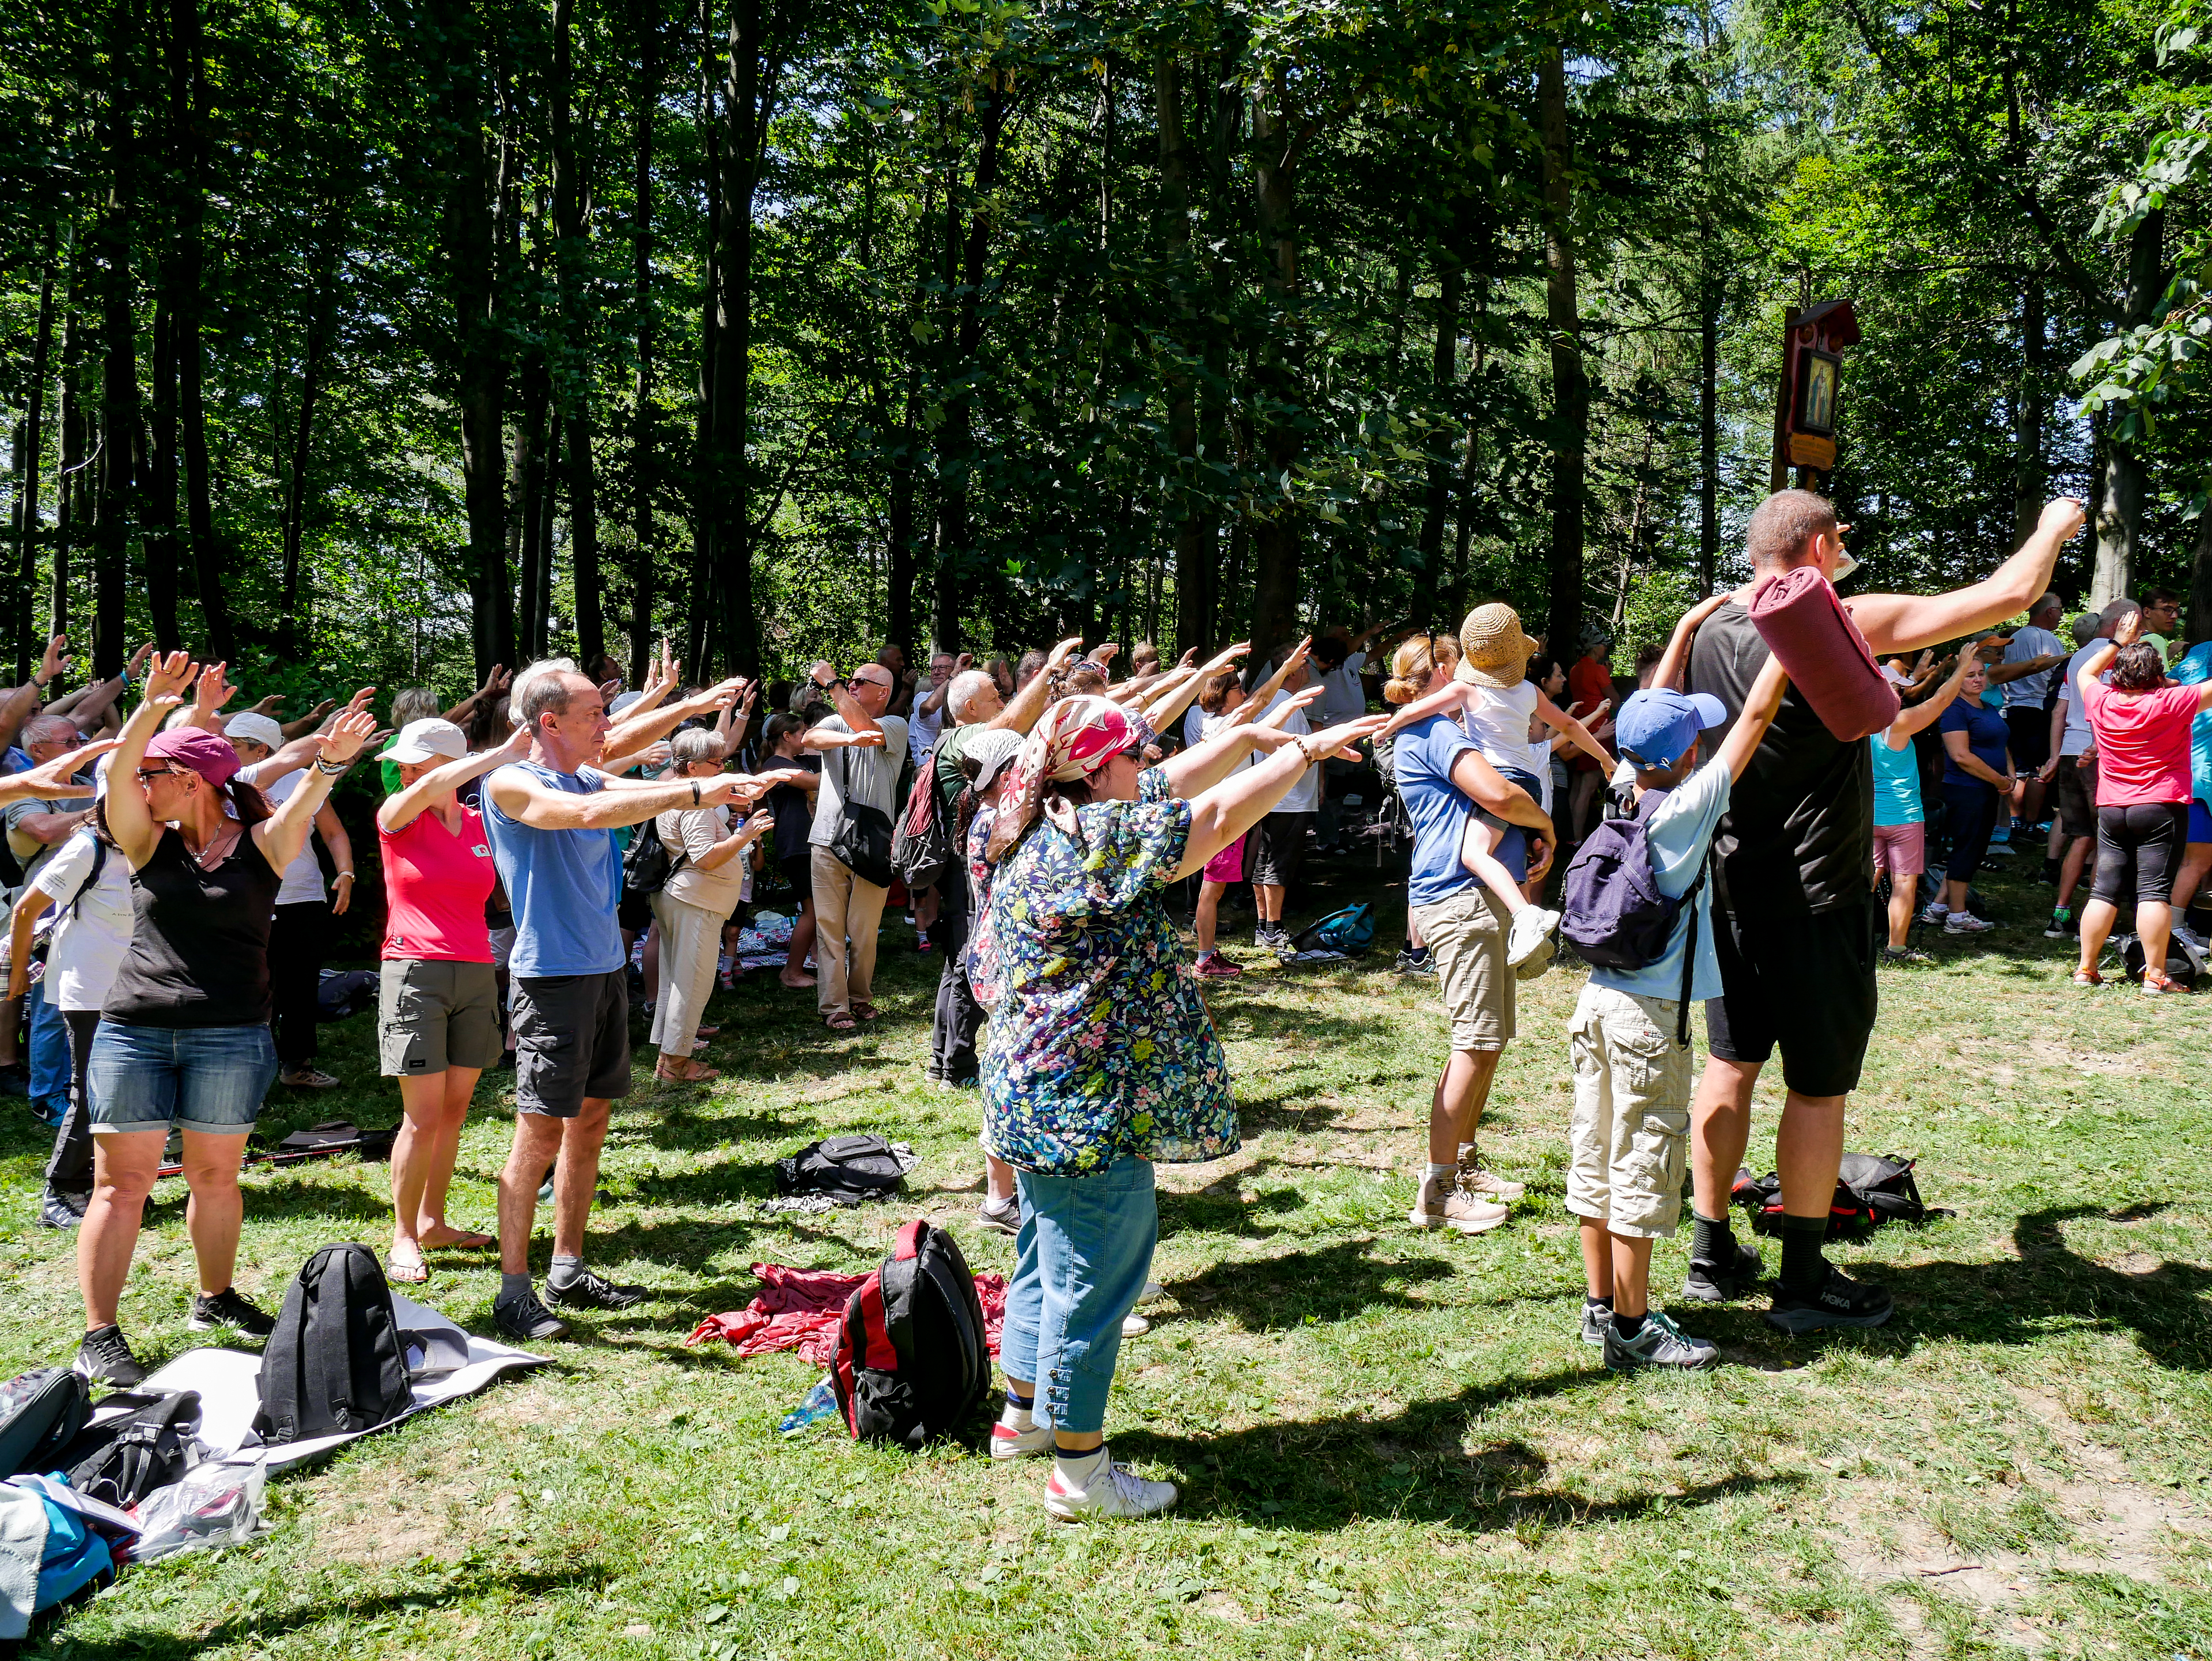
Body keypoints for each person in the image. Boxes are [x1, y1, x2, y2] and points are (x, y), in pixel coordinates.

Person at [1681, 489, 2084, 1335]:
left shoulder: (1713, 627)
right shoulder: (1842, 618)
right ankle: (1801, 1278)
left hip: (1728, 883)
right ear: (1823, 547)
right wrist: (2053, 524)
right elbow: (2006, 598)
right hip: (1819, 892)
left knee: (1730, 1062)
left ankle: (1711, 1250)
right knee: (1818, 1087)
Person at [979, 694, 1386, 1519]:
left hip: (1029, 1092)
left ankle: (1022, 1416)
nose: (1149, 760)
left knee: (1042, 1252)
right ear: (1096, 770)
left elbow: (1169, 789)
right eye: (1134, 751)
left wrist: (1241, 735)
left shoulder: (1043, 819)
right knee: (1094, 1277)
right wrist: (1300, 753)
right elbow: (1212, 815)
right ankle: (1080, 1471)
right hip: (1083, 1105)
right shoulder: (1100, 840)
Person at [74, 654, 378, 1384]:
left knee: (217, 1177)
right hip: (134, 1031)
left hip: (232, 1035)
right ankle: (100, 1334)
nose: (140, 786)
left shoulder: (263, 846)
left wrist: (329, 765)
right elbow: (116, 776)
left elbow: (304, 803)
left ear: (191, 780)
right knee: (122, 1186)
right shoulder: (146, 842)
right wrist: (150, 709)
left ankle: (214, 1298)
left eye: (155, 775)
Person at [481, 659, 790, 1342]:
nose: (608, 725)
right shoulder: (511, 782)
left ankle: (567, 1266)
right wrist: (695, 792)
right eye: (596, 714)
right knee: (537, 1138)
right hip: (551, 980)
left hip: (603, 973)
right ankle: (513, 1291)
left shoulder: (580, 768)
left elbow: (620, 784)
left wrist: (718, 785)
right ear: (550, 722)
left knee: (589, 1126)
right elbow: (591, 812)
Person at [1571, 662, 1790, 1372]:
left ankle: (1600, 1306)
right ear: (1689, 754)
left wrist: (1686, 631)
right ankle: (1634, 1330)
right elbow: (1753, 721)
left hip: (1597, 1003)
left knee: (1597, 1148)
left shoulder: (1622, 792)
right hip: (1648, 1017)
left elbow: (1650, 720)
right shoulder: (1687, 810)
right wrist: (1792, 636)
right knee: (1642, 1157)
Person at [1391, 619, 1556, 1235]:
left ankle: (1461, 1163)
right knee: (1475, 1043)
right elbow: (1499, 796)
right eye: (1457, 665)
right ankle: (1435, 1192)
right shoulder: (1434, 731)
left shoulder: (1438, 727)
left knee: (1489, 1042)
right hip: (1459, 902)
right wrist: (1547, 827)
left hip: (1476, 898)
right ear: (1437, 674)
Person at [375, 717, 527, 1282]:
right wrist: (498, 754)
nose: (406, 773)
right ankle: (404, 1236)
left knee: (454, 1111)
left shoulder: (477, 824)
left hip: (476, 970)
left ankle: (433, 1221)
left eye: (420, 763)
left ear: (448, 766)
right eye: (406, 764)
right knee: (421, 1116)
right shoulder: (396, 816)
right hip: (415, 972)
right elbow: (413, 795)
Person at [1381, 603, 1613, 962]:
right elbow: (1570, 726)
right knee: (1515, 851)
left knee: (1474, 853)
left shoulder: (1466, 689)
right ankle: (1521, 934)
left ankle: (1526, 916)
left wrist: (1386, 728)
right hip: (1530, 781)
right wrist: (1605, 758)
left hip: (1500, 782)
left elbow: (1417, 710)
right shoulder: (1530, 692)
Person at [2069, 609, 2212, 992]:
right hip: (2161, 807)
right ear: (2157, 674)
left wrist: (2117, 642)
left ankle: (2085, 969)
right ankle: (2155, 974)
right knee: (2154, 891)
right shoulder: (2172, 702)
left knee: (2104, 889)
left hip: (2113, 809)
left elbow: (2085, 674)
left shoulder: (2102, 700)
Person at [9, 805, 135, 1229]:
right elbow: (27, 910)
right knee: (93, 1093)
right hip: (88, 990)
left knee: (128, 1093)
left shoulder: (158, 842)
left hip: (139, 986)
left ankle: (104, 1183)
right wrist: (19, 980)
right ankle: (60, 1188)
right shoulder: (88, 846)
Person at [224, 710, 354, 1089]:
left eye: (233, 746)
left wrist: (345, 872)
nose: (225, 752)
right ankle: (247, 1072)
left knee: (299, 985)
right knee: (251, 989)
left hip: (304, 900)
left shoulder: (303, 779)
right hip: (247, 902)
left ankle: (298, 1066)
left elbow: (333, 833)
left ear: (260, 749)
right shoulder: (226, 784)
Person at [650, 728, 777, 1080]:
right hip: (694, 901)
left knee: (677, 980)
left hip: (686, 898)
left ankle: (668, 1058)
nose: (724, 769)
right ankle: (675, 1066)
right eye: (717, 762)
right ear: (692, 767)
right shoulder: (695, 804)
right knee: (692, 983)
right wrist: (746, 834)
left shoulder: (681, 790)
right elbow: (705, 857)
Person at [802, 659, 908, 1032]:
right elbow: (810, 739)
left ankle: (860, 996)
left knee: (864, 930)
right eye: (850, 681)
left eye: (861, 682)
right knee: (829, 926)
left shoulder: (896, 725)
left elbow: (867, 728)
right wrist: (848, 739)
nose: (852, 685)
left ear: (884, 693)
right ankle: (835, 1005)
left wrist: (832, 684)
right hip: (827, 838)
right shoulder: (836, 722)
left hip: (873, 842)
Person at [6, 712, 94, 1123]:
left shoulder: (91, 787)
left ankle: (87, 1088)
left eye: (80, 739)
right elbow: (41, 829)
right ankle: (48, 1096)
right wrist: (105, 812)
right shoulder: (23, 794)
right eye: (69, 742)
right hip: (48, 914)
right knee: (52, 1006)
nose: (79, 747)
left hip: (99, 906)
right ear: (38, 751)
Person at [1870, 650, 1974, 962]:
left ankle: (1842, 943)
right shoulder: (1899, 723)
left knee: (1865, 881)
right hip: (1903, 816)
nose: (1903, 692)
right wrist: (1963, 667)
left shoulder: (1855, 722)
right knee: (1904, 883)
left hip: (1868, 815)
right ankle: (1896, 949)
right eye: (1899, 688)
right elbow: (1941, 700)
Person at [2041, 604, 2134, 939]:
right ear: (2122, 625)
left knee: (2082, 837)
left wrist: (2054, 756)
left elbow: (2059, 710)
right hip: (2097, 756)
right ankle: (2089, 922)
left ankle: (2060, 914)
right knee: (2107, 841)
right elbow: (2114, 709)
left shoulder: (2078, 658)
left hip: (2068, 752)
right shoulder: (2121, 657)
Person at [1925, 659, 2012, 935]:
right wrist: (1998, 779)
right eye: (1969, 675)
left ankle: (1938, 907)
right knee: (1967, 850)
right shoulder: (1954, 710)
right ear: (1957, 681)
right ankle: (1957, 916)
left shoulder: (1988, 708)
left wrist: (2009, 775)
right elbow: (1960, 755)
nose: (1977, 680)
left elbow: (2002, 743)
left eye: (1980, 674)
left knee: (1972, 849)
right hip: (1966, 790)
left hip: (1989, 788)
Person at [759, 713, 822, 989]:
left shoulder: (803, 760)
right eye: (801, 733)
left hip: (810, 842)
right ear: (787, 737)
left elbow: (825, 752)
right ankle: (792, 971)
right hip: (796, 845)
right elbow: (813, 782)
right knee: (812, 910)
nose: (806, 737)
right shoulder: (774, 765)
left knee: (820, 908)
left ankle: (812, 962)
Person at [1999, 593, 2067, 841]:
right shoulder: (2046, 638)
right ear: (2049, 612)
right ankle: (2030, 824)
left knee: (2018, 769)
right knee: (2039, 770)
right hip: (2037, 707)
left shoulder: (2013, 638)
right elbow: (2055, 676)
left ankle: (2014, 823)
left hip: (2012, 708)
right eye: (2060, 609)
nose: (2061, 614)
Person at [2164, 635, 2212, 950]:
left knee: (2191, 861)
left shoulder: (2183, 690)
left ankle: (2179, 925)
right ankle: (2175, 928)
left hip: (2186, 781)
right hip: (2201, 787)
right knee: (2197, 861)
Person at [1565, 633, 1616, 841]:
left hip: (1580, 729)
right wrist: (1608, 675)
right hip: (1599, 730)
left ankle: (1569, 834)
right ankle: (1578, 838)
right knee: (1588, 787)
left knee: (1577, 786)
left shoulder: (1575, 669)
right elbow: (1615, 697)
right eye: (1603, 646)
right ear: (1595, 648)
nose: (1605, 649)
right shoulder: (1598, 669)